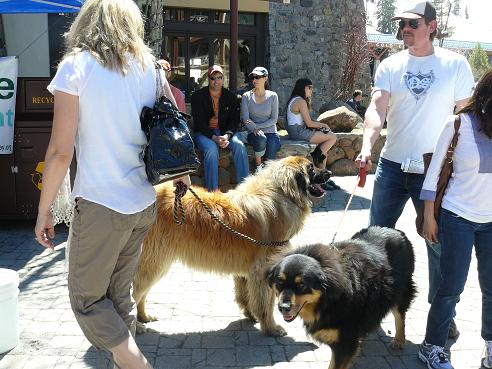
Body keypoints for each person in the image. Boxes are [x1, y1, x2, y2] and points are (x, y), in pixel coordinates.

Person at [33, 1, 178, 368]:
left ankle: (138, 364)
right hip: (143, 203)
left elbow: (59, 152)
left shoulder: (76, 67)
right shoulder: (149, 68)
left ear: (87, 21)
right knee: (119, 297)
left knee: (87, 301)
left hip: (100, 204)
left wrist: (44, 210)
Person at [355, 0, 474, 350]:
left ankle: (443, 317)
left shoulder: (455, 65)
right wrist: (367, 143)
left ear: (432, 26)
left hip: (433, 173)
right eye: (401, 24)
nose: (405, 29)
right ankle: (372, 310)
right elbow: (377, 108)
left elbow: (465, 119)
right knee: (374, 244)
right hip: (391, 168)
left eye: (413, 23)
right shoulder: (390, 65)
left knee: (437, 247)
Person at [418, 69, 492, 369]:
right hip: (457, 216)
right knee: (451, 287)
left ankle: (490, 342)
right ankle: (431, 346)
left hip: (490, 221)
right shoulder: (457, 124)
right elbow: (433, 174)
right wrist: (428, 218)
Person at [191, 65, 249, 191]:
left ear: (223, 78)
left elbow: (234, 121)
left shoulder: (231, 97)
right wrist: (214, 138)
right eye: (213, 78)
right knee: (211, 150)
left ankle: (245, 189)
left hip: (226, 132)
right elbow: (199, 123)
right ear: (208, 79)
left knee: (239, 145)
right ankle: (212, 193)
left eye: (219, 77)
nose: (216, 81)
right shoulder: (197, 97)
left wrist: (227, 135)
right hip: (205, 133)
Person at [286, 78, 339, 191]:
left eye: (312, 88)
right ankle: (319, 165)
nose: (311, 90)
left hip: (297, 130)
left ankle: (323, 177)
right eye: (309, 87)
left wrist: (320, 127)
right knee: (332, 137)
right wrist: (323, 125)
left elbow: (307, 122)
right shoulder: (300, 101)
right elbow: (309, 122)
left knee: (323, 151)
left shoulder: (296, 99)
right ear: (302, 88)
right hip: (298, 132)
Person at [241, 66, 281, 169]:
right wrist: (254, 129)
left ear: (265, 78)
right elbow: (246, 119)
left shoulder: (273, 96)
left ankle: (267, 177)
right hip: (254, 132)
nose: (254, 80)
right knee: (260, 138)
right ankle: (258, 167)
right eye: (253, 77)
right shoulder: (246, 96)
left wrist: (257, 126)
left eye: (258, 77)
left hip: (271, 132)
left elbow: (274, 119)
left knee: (270, 160)